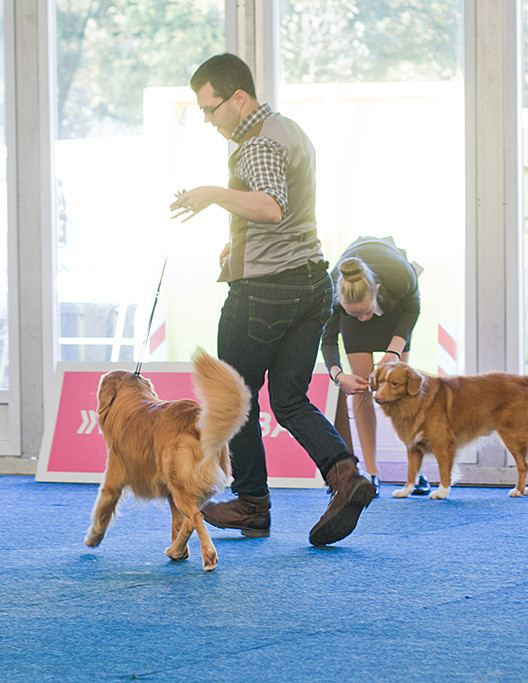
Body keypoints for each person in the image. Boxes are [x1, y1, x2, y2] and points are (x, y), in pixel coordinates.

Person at [170, 53, 374, 546]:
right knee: (289, 398)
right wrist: (238, 240)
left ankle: (252, 504)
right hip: (310, 283)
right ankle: (345, 475)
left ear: (238, 99)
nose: (207, 119)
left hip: (264, 292)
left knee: (234, 398)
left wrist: (213, 194)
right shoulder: (288, 129)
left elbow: (271, 205)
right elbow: (289, 209)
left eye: (210, 108)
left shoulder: (254, 145)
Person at [321, 236, 430, 497]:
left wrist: (394, 350)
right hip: (355, 323)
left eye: (366, 311)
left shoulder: (400, 275)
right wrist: (338, 376)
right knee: (362, 388)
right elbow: (326, 339)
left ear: (377, 289)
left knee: (403, 392)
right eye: (354, 313)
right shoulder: (332, 293)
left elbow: (413, 310)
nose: (363, 318)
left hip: (397, 314)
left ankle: (415, 471)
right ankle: (372, 473)